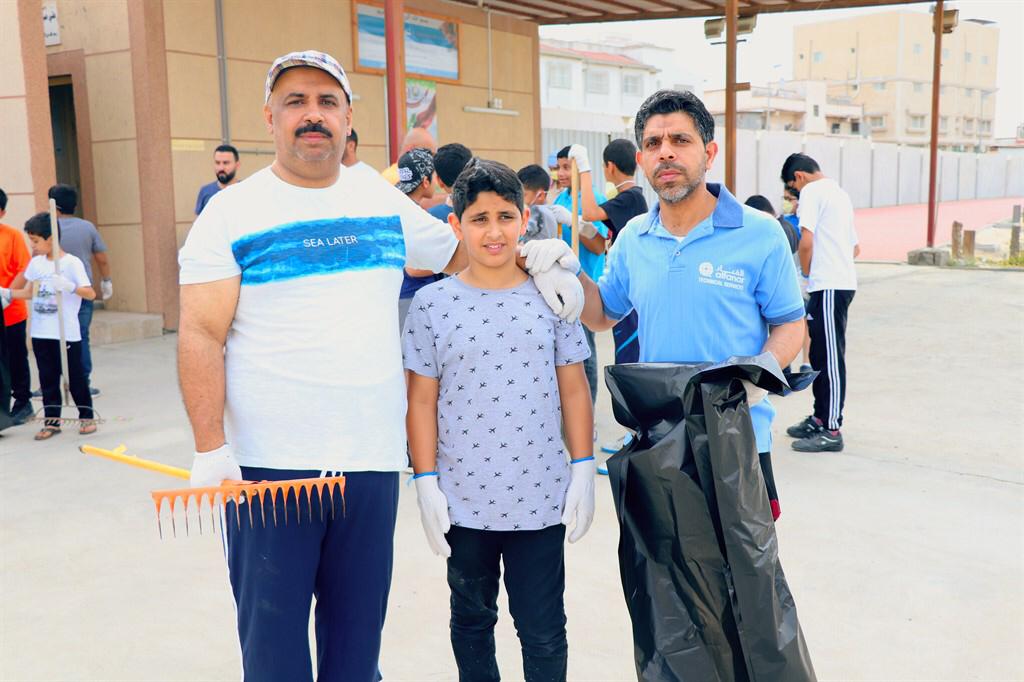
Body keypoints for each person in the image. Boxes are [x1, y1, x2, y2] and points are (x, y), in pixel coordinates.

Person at [176, 50, 582, 682]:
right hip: (269, 470)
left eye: (327, 102)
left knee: (356, 649)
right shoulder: (231, 212)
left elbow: (464, 253)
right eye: (295, 101)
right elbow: (202, 333)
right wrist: (210, 447)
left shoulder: (375, 196)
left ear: (346, 117)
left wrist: (537, 259)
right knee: (274, 651)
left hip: (369, 465)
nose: (313, 115)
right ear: (269, 117)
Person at [527, 89, 806, 522]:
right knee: (659, 565)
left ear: (708, 153)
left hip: (739, 438)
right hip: (658, 440)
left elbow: (790, 323)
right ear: (642, 161)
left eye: (680, 140)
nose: (666, 153)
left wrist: (757, 374)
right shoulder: (634, 239)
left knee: (741, 565)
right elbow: (601, 314)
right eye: (654, 143)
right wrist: (569, 274)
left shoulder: (760, 234)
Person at [404, 158, 595, 682]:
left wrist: (583, 466)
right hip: (462, 500)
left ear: (524, 219)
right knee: (471, 622)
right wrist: (425, 480)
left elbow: (573, 387)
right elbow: (421, 400)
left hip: (540, 497)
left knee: (543, 629)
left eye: (506, 217)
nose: (494, 232)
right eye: (479, 219)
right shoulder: (432, 305)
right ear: (455, 224)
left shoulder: (552, 296)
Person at [781, 153, 859, 453]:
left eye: (793, 189)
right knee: (818, 354)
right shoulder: (839, 194)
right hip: (835, 283)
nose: (794, 197)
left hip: (828, 285)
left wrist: (807, 275)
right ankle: (820, 417)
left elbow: (806, 241)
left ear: (799, 177)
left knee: (829, 358)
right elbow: (855, 247)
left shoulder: (813, 191)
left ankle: (832, 429)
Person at [2, 213, 97, 439]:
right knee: (47, 378)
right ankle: (52, 421)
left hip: (66, 333)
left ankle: (86, 416)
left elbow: (90, 293)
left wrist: (70, 286)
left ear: (51, 238)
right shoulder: (36, 264)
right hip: (41, 332)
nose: (33, 246)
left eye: (35, 241)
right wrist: (7, 293)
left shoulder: (71, 263)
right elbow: (29, 292)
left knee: (75, 377)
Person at [552, 145, 609, 408]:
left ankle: (589, 413)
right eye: (559, 167)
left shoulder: (592, 198)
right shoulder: (560, 199)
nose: (562, 173)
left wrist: (575, 221)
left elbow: (598, 246)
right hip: (560, 288)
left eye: (567, 167)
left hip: (585, 288)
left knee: (585, 353)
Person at [47, 184, 111, 395]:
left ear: (54, 206)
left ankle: (51, 383)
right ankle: (83, 382)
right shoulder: (87, 227)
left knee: (51, 336)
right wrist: (106, 281)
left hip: (54, 292)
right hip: (82, 291)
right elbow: (101, 258)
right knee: (81, 335)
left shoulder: (48, 227)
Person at [396, 147, 445, 331]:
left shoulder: (397, 206)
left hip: (401, 293)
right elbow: (413, 269)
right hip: (411, 296)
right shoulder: (413, 214)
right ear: (425, 181)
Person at [0, 188, 33, 424]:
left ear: (2, 212)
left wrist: (6, 296)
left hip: (10, 311)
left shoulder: (12, 236)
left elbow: (24, 268)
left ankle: (23, 402)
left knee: (16, 358)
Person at [517, 164, 570, 245]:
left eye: (523, 195)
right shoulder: (548, 212)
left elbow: (519, 232)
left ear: (540, 196)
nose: (518, 199)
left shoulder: (536, 211)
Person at [194, 144, 240, 215]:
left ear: (237, 165)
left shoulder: (245, 191)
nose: (221, 168)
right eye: (217, 163)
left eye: (226, 163)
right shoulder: (205, 191)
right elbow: (200, 220)